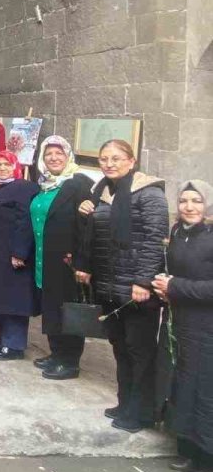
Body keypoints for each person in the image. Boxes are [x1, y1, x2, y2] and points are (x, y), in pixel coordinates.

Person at [74, 139, 169, 433]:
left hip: (137, 288)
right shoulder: (101, 192)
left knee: (140, 351)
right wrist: (86, 212)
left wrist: (143, 281)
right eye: (104, 159)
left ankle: (141, 413)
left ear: (131, 161)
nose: (109, 164)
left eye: (116, 158)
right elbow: (96, 236)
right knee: (120, 348)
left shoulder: (149, 193)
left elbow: (155, 240)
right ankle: (125, 402)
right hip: (109, 283)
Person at [153, 180, 213, 472]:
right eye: (185, 200)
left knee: (206, 391)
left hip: (206, 327)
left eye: (197, 201)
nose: (190, 207)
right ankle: (189, 449)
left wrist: (175, 286)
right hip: (181, 322)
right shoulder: (179, 232)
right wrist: (165, 288)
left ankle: (209, 461)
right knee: (184, 385)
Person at [30, 137, 95, 380]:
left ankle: (69, 361)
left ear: (68, 157)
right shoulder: (45, 184)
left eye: (59, 153)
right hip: (45, 257)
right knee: (52, 307)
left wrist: (82, 260)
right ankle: (56, 352)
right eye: (49, 154)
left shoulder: (79, 183)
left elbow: (88, 224)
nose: (54, 158)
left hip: (67, 260)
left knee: (66, 310)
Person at [0, 151, 40, 360]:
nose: (2, 168)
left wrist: (20, 252)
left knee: (13, 301)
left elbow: (25, 221)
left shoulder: (23, 187)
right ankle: (2, 336)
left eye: (7, 164)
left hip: (13, 257)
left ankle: (13, 346)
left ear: (16, 167)